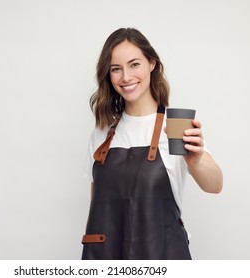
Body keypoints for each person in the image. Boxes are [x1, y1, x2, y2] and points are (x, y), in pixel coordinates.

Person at [81, 27, 223, 260]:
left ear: (152, 64)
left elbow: (215, 185)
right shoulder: (101, 135)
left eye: (134, 64)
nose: (126, 77)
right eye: (116, 69)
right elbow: (97, 211)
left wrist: (196, 161)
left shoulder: (176, 125)